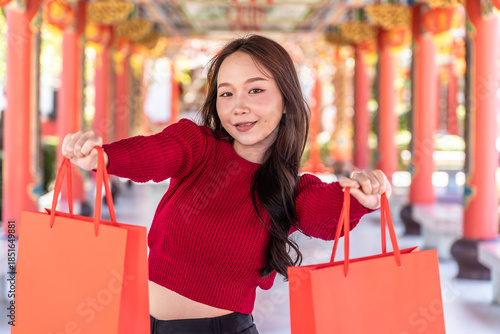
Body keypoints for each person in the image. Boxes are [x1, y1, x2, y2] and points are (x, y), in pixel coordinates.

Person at [61, 35, 391, 334]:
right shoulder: (196, 145)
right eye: (226, 93)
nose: (238, 106)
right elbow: (157, 153)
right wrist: (103, 158)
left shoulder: (292, 189)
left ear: (286, 99)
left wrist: (361, 197)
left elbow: (325, 213)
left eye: (256, 90)